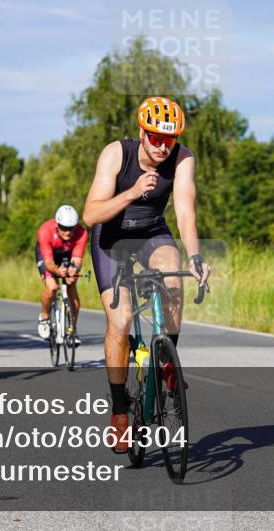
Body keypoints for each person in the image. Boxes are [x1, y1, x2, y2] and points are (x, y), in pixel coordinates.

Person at [83, 96, 211, 453]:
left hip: (151, 233)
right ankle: (120, 411)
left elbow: (184, 211)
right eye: (155, 138)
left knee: (173, 274)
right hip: (111, 238)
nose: (162, 146)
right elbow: (90, 215)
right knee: (121, 321)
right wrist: (132, 192)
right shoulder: (116, 154)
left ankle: (167, 363)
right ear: (142, 133)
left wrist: (196, 257)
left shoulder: (182, 158)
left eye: (169, 139)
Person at [35, 205, 89, 345]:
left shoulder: (82, 233)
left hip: (68, 254)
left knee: (71, 284)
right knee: (52, 287)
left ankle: (72, 330)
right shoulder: (45, 231)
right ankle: (44, 317)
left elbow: (77, 259)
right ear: (57, 225)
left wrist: (74, 270)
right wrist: (58, 271)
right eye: (64, 228)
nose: (67, 232)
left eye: (71, 228)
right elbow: (48, 262)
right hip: (49, 255)